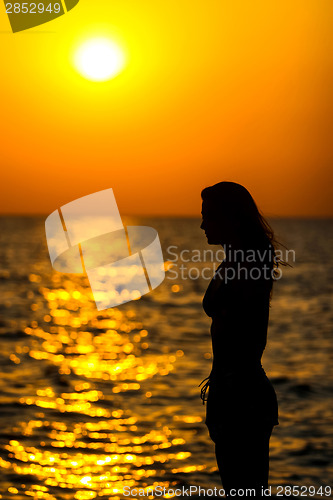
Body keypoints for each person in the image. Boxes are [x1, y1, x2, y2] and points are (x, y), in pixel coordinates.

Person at [198, 181, 283, 498]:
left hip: (242, 396)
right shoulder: (236, 262)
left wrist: (229, 388)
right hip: (231, 392)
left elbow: (247, 335)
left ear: (230, 218)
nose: (203, 224)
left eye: (208, 215)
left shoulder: (248, 266)